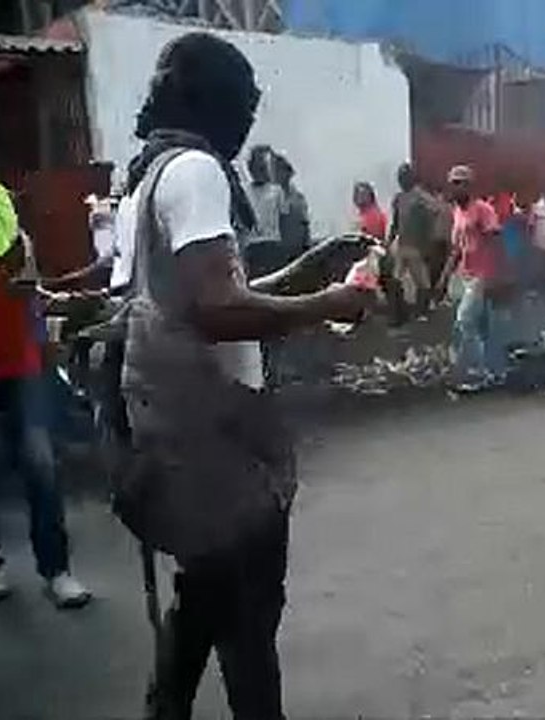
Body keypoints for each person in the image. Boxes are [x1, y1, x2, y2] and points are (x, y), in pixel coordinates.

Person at [113, 32, 375, 719]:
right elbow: (219, 309)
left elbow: (201, 293)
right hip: (216, 441)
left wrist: (313, 265)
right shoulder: (197, 170)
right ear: (219, 104)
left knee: (204, 594)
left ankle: (162, 709)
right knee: (249, 618)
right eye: (245, 103)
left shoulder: (146, 176)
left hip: (169, 427)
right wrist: (330, 304)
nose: (250, 119)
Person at [0, 175, 92, 609]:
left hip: (18, 362)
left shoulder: (7, 224)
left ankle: (57, 570)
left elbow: (30, 294)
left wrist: (48, 345)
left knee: (39, 463)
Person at [436, 165, 508, 391]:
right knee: (482, 326)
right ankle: (495, 370)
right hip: (465, 275)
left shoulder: (483, 210)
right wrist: (444, 278)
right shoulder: (457, 212)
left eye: (461, 182)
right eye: (453, 183)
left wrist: (496, 276)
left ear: (469, 185)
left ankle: (475, 371)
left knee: (465, 321)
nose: (456, 187)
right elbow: (457, 249)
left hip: (482, 275)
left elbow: (496, 243)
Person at [387, 162, 436, 320]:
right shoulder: (412, 198)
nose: (401, 180)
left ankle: (402, 314)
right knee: (419, 282)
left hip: (412, 246)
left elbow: (430, 220)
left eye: (403, 177)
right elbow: (396, 223)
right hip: (410, 246)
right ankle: (411, 313)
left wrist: (389, 240)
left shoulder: (412, 198)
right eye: (401, 177)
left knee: (404, 279)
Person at [243, 144, 286, 277]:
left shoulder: (276, 191)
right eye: (257, 167)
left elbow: (283, 218)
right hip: (253, 246)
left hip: (272, 244)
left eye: (263, 167)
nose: (260, 171)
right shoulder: (244, 191)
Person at [273, 153, 310, 259]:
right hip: (279, 252)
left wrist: (306, 245)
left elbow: (305, 223)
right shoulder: (270, 197)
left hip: (298, 250)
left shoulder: (298, 197)